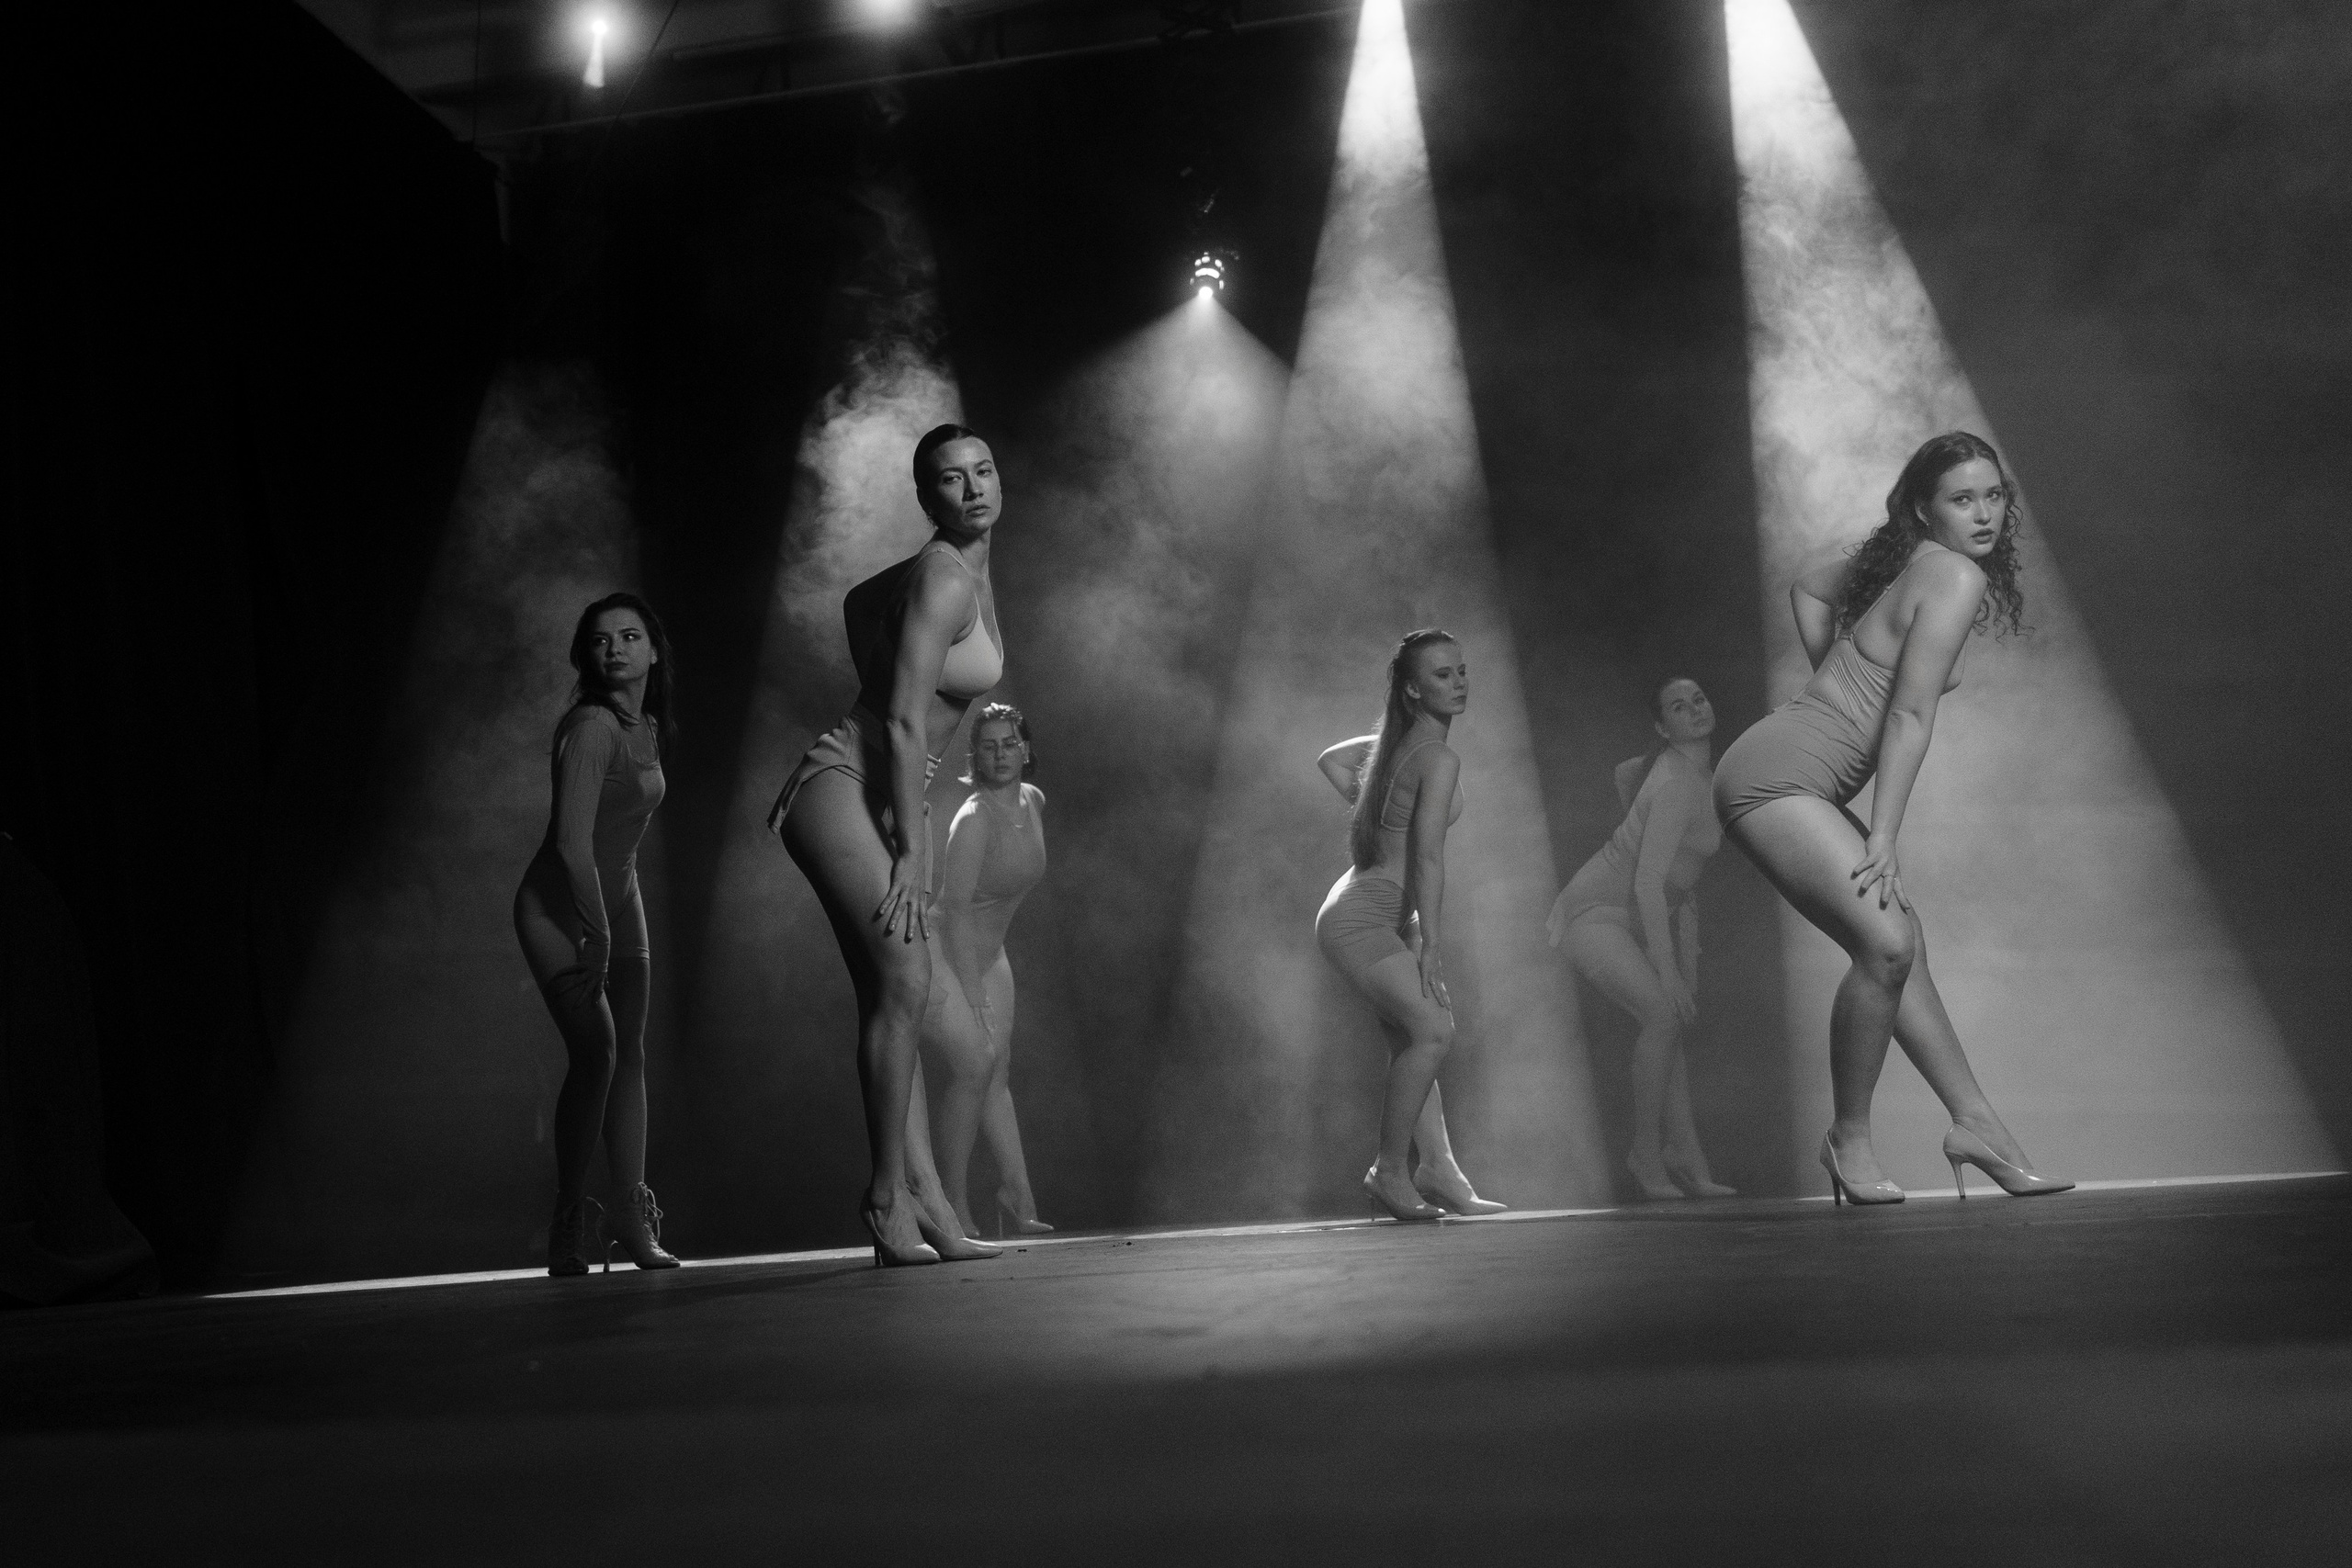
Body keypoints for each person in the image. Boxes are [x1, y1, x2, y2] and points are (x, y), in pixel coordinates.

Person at [1713, 431, 2072, 1204]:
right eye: (1962, 499)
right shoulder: (1952, 575)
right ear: (1924, 507)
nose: (1985, 514)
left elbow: (1809, 588)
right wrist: (1880, 831)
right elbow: (1907, 715)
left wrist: (1833, 688)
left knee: (1903, 947)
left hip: (1787, 767)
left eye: (1995, 496)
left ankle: (1978, 1125)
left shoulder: (1915, 563)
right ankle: (1849, 1139)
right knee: (1886, 942)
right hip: (1774, 777)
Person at [769, 423, 1009, 1266]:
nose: (973, 488)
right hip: (843, 788)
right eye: (951, 478)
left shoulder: (959, 572)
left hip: (879, 796)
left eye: (983, 471)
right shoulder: (943, 578)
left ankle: (927, 1201)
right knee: (903, 979)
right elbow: (905, 722)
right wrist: (914, 846)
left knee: (903, 997)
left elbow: (857, 601)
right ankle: (883, 1197)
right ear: (925, 496)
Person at [513, 592, 683, 1276]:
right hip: (557, 911)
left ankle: (630, 1217)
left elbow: (621, 838)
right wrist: (597, 933)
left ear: (654, 650)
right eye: (601, 639)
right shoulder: (591, 727)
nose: (615, 648)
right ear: (586, 655)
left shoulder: (646, 725)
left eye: (630, 636)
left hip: (619, 899)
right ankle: (567, 1221)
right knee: (598, 1052)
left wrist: (617, 917)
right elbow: (570, 843)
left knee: (630, 1051)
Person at [1313, 628, 1507, 1222]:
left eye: (1462, 671)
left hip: (1371, 910)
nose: (1459, 683)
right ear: (1412, 689)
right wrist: (1432, 949)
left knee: (1412, 1038)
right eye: (1442, 675)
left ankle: (1439, 1169)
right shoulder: (1435, 757)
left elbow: (1331, 760)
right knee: (1433, 1030)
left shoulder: (1401, 748)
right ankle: (1390, 1170)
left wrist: (1375, 803)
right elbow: (1427, 860)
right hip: (1362, 919)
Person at [1548, 678, 1736, 1201]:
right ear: (1662, 727)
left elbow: (1680, 880)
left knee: (1669, 1024)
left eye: (1699, 699)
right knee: (1662, 1013)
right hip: (1592, 914)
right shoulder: (1677, 783)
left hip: (1639, 916)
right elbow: (1649, 882)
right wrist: (1670, 970)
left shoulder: (1700, 775)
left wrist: (1684, 955)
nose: (1695, 709)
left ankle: (1686, 1156)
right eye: (1679, 706)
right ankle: (1646, 1154)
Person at [929, 704, 1052, 1238]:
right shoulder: (974, 819)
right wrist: (973, 992)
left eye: (1009, 744)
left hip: (991, 954)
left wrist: (985, 976)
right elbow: (954, 911)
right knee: (974, 1067)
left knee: (997, 1075)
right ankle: (951, 1203)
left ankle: (1017, 1196)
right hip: (944, 953)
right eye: (988, 746)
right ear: (974, 757)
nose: (1000, 755)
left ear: (1025, 750)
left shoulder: (1033, 801)